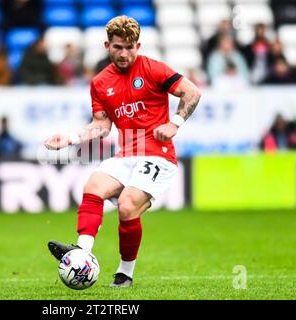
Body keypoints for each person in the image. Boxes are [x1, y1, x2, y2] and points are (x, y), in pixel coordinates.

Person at [44, 16, 201, 287]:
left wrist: (175, 123)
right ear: (108, 45)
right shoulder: (100, 83)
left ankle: (124, 274)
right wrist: (69, 138)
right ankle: (82, 253)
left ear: (138, 45)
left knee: (127, 206)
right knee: (93, 185)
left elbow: (192, 92)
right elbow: (102, 126)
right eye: (118, 47)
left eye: (130, 47)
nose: (124, 53)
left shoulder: (154, 69)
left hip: (158, 155)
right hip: (126, 155)